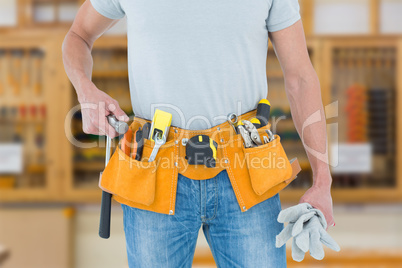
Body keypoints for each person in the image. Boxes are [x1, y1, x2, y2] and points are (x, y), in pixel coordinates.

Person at [62, 0, 334, 267]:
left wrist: (323, 182)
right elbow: (78, 35)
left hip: (246, 169)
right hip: (154, 169)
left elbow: (300, 78)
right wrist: (85, 89)